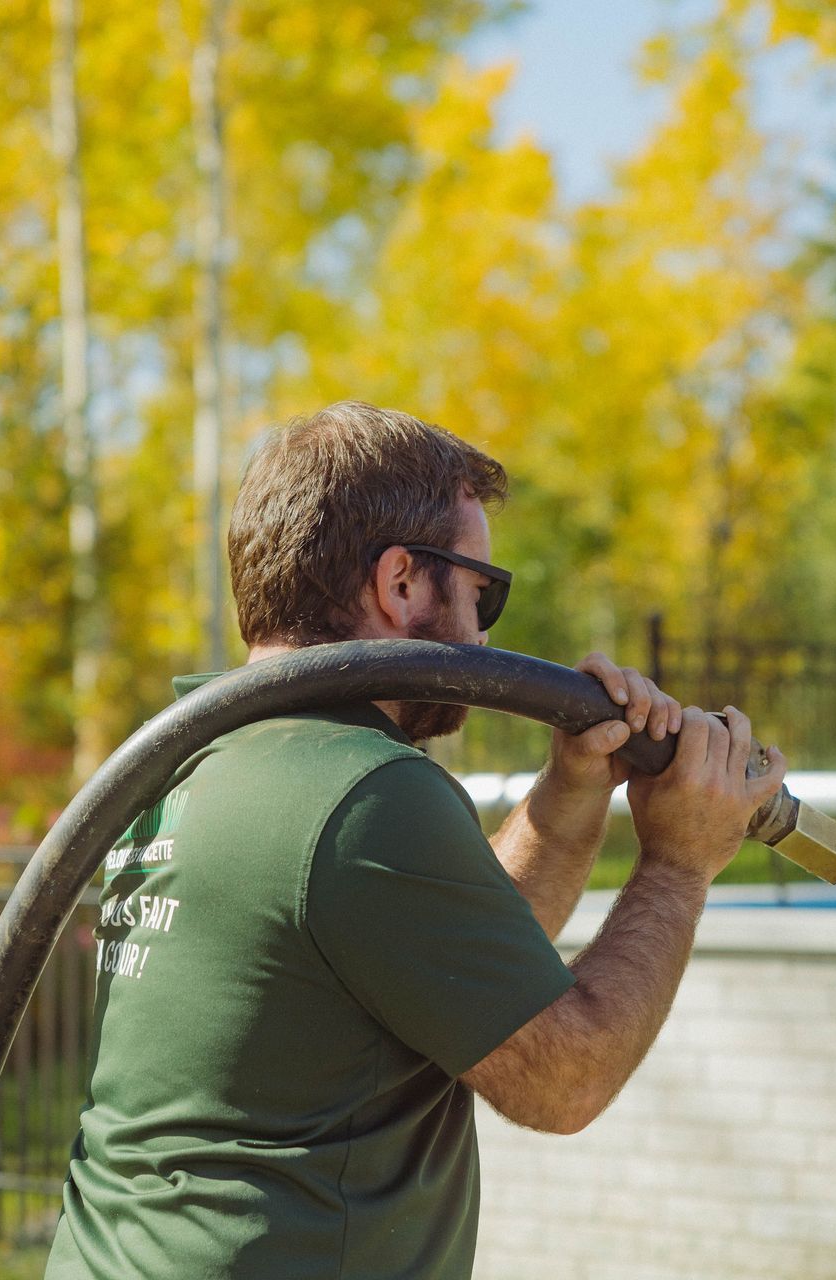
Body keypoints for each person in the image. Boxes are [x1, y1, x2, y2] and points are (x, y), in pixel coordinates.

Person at [44, 401, 786, 1280]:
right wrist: (679, 862)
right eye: (483, 593)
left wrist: (573, 790)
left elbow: (454, 972)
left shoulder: (189, 760)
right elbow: (565, 1078)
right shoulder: (361, 789)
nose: (483, 635)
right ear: (402, 584)